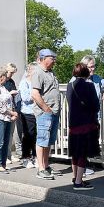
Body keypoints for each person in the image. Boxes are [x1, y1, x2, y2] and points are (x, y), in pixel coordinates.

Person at [67, 63, 100, 189]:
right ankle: (78, 182)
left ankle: (75, 177)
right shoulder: (89, 86)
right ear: (86, 72)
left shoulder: (70, 86)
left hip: (73, 122)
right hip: (86, 123)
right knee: (83, 152)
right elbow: (96, 106)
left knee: (75, 151)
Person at [79, 55, 104, 177]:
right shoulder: (77, 80)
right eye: (90, 67)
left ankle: (86, 164)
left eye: (94, 66)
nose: (92, 69)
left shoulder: (97, 78)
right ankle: (80, 169)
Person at [31, 50, 61, 180]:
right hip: (45, 112)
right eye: (52, 57)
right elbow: (35, 93)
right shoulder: (38, 72)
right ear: (43, 59)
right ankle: (41, 168)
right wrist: (46, 108)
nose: (54, 60)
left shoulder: (51, 73)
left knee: (49, 140)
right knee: (42, 139)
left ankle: (46, 165)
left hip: (53, 111)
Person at [0, 68, 18, 173]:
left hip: (7, 118)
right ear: (2, 77)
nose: (6, 78)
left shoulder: (3, 88)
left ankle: (3, 164)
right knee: (0, 141)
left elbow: (8, 102)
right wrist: (11, 113)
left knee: (6, 142)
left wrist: (12, 114)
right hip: (0, 118)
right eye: (5, 76)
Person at [17, 63, 38, 168]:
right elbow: (25, 98)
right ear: (30, 71)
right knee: (28, 135)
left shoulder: (36, 82)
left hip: (37, 112)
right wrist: (36, 96)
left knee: (35, 135)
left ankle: (35, 156)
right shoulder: (24, 83)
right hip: (27, 112)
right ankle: (26, 157)